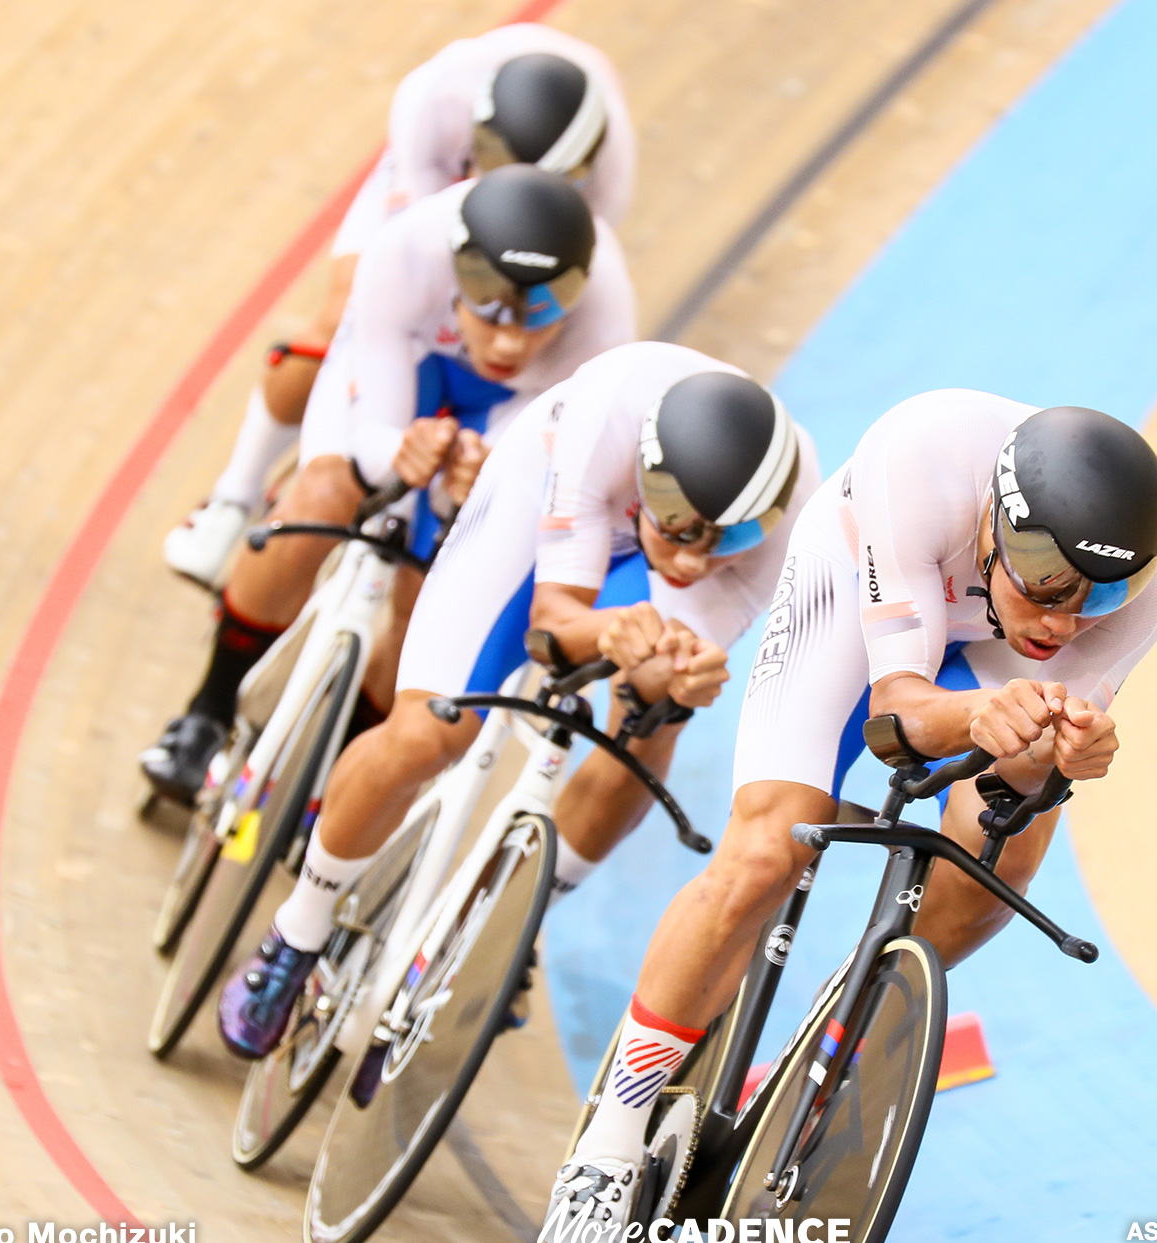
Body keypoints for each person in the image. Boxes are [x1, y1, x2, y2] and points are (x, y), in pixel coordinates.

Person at [537, 392, 1157, 1243]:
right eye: (1051, 585)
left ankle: (832, 1024)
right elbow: (898, 718)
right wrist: (982, 716)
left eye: (1100, 595)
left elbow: (1019, 787)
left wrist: (1068, 749)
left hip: (988, 663)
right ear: (997, 528)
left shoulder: (1152, 581)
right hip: (861, 605)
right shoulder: (920, 461)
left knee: (996, 881)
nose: (1066, 622)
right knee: (768, 849)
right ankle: (609, 1143)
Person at [214, 341, 822, 1060]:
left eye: (732, 536)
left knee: (653, 726)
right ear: (650, 479)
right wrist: (613, 631)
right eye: (683, 530)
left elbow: (668, 654)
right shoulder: (608, 417)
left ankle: (507, 922)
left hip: (638, 537)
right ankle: (299, 931)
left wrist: (672, 676)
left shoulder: (785, 521)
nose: (696, 559)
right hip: (541, 499)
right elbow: (552, 630)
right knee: (428, 736)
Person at [139, 165, 634, 803]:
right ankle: (205, 714)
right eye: (490, 309)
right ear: (458, 269)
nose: (511, 339)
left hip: (519, 409)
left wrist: (470, 484)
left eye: (539, 316)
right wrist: (396, 454)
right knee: (322, 493)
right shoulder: (406, 251)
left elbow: (541, 464)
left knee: (432, 589)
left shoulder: (606, 322)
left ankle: (340, 777)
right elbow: (370, 421)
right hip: (408, 366)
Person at [163, 25, 636, 588]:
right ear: (478, 142)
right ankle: (230, 497)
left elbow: (557, 271)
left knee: (502, 320)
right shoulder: (435, 104)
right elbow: (421, 247)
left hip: (533, 232)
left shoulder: (606, 185)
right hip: (433, 188)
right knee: (350, 313)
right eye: (495, 167)